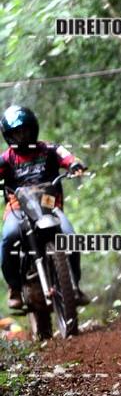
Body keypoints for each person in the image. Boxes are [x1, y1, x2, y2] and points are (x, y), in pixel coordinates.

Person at [0, 105, 89, 309]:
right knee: (9, 236)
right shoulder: (6, 159)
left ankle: (74, 286)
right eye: (17, 133)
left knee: (70, 236)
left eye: (26, 131)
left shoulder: (50, 149)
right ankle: (14, 287)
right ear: (9, 136)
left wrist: (75, 164)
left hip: (48, 204)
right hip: (18, 207)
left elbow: (68, 157)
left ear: (34, 129)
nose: (22, 136)